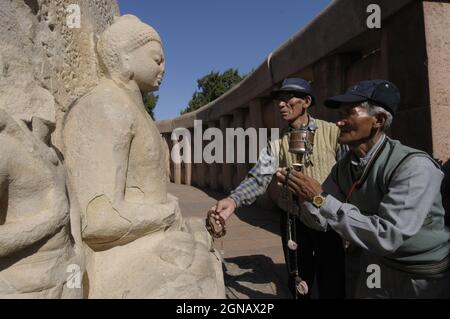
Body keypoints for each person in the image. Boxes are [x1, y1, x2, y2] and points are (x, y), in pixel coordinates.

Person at [276, 79, 450, 298]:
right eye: (339, 114)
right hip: (376, 264)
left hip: (421, 274)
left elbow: (388, 236)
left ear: (378, 120)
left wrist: (317, 197)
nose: (339, 122)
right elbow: (322, 221)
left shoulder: (413, 166)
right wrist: (301, 196)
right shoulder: (344, 167)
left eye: (349, 113)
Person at [209, 78, 346, 298]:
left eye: (287, 99)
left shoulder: (333, 134)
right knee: (299, 279)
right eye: (279, 101)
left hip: (328, 222)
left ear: (306, 101)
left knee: (333, 280)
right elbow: (258, 178)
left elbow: (350, 179)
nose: (281, 105)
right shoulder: (276, 143)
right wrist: (233, 200)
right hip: (294, 221)